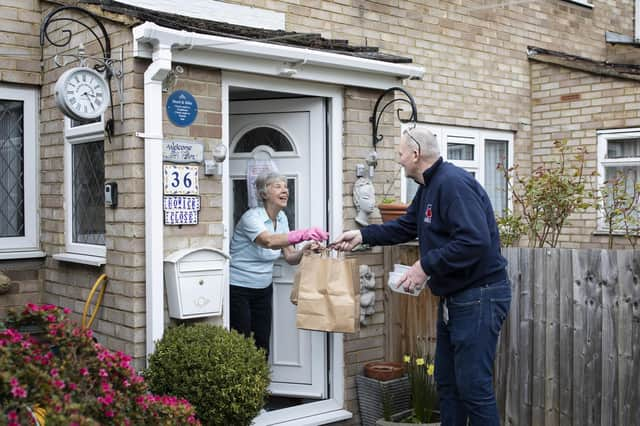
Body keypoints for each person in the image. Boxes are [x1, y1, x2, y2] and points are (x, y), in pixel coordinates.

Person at [332, 127, 511, 426]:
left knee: (473, 388)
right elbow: (405, 227)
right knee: (447, 385)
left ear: (415, 155)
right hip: (455, 300)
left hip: (480, 297)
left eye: (401, 154)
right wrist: (362, 234)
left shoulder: (453, 184)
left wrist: (424, 266)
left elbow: (475, 240)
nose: (399, 161)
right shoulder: (428, 186)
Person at [229, 171, 328, 358]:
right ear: (263, 194)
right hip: (238, 289)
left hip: (263, 289)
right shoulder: (251, 218)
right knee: (241, 342)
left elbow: (290, 256)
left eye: (286, 186)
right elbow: (268, 241)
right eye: (277, 186)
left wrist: (305, 250)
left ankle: (259, 386)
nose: (285, 190)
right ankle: (241, 386)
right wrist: (303, 234)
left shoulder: (282, 218)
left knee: (262, 342)